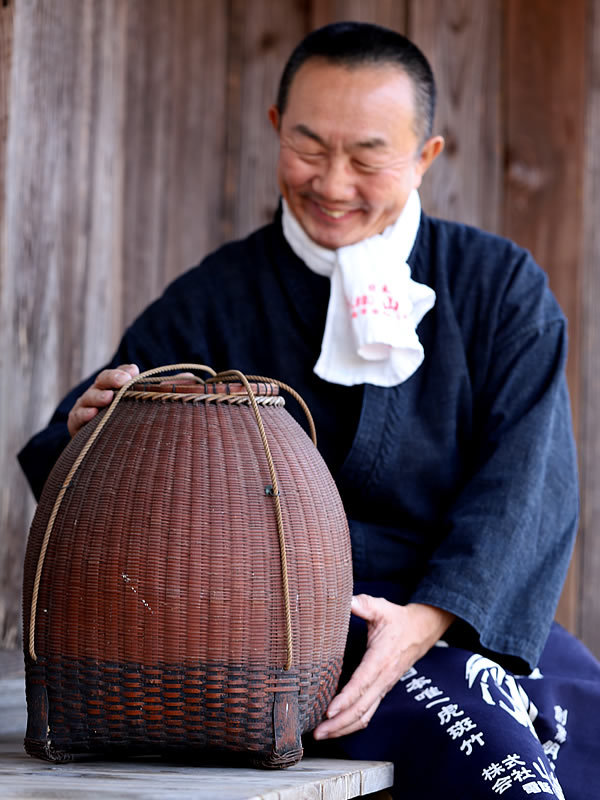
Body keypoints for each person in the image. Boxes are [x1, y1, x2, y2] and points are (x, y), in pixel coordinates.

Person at [19, 22, 600, 798]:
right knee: (492, 768)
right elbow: (90, 466)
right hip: (278, 648)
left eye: (367, 156)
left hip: (458, 615)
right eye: (308, 146)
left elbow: (527, 481)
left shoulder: (498, 287)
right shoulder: (213, 301)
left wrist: (426, 621)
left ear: (426, 154)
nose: (332, 182)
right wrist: (93, 432)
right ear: (273, 128)